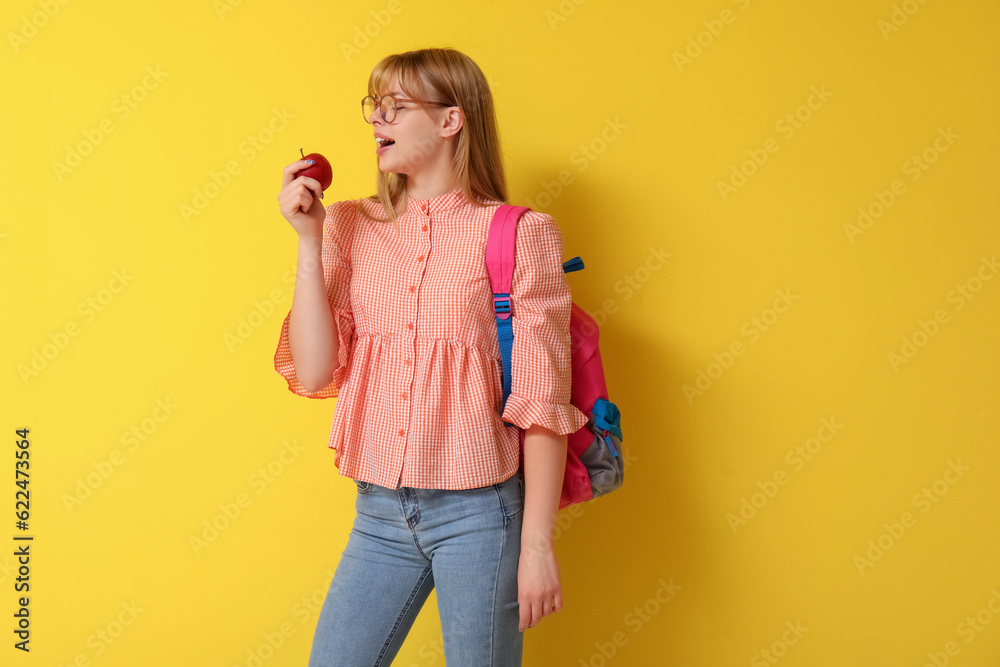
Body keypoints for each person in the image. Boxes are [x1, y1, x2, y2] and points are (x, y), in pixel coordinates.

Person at [274, 47, 587, 666]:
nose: (375, 121)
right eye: (373, 106)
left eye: (394, 106)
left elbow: (543, 403)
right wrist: (309, 244)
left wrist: (535, 547)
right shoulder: (349, 226)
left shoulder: (520, 233)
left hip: (481, 514)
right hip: (379, 512)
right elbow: (312, 372)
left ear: (451, 120)